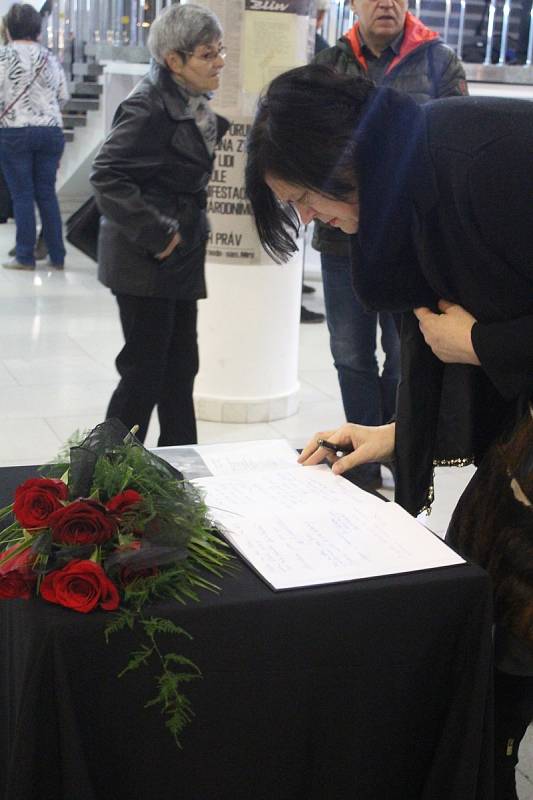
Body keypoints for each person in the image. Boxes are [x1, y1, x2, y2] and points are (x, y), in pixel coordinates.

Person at [244, 64, 533, 799]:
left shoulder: (480, 164)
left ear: (336, 159)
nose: (307, 219)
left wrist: (482, 345)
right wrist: (395, 435)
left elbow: (473, 339)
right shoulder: (413, 178)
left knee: (502, 648)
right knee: (479, 636)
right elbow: (454, 334)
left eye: (300, 199)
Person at [312, 0, 467, 489]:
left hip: (413, 243)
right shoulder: (329, 65)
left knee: (407, 356)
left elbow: (454, 144)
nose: (387, 3)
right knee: (350, 353)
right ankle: (362, 465)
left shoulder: (438, 60)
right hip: (342, 240)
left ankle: (401, 447)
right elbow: (309, 149)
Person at [90, 3, 228, 447]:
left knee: (180, 368)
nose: (220, 62)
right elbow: (106, 175)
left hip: (178, 258)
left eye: (219, 51)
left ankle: (180, 469)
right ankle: (106, 474)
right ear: (175, 60)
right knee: (144, 373)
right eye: (208, 54)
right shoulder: (148, 106)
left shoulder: (192, 105)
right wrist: (161, 234)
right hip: (146, 259)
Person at [0, 3, 68, 270]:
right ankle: (58, 255)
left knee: (22, 195)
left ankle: (25, 256)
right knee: (47, 194)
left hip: (14, 131)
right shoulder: (50, 58)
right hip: (51, 131)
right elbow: (63, 95)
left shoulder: (4, 57)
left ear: (9, 28)